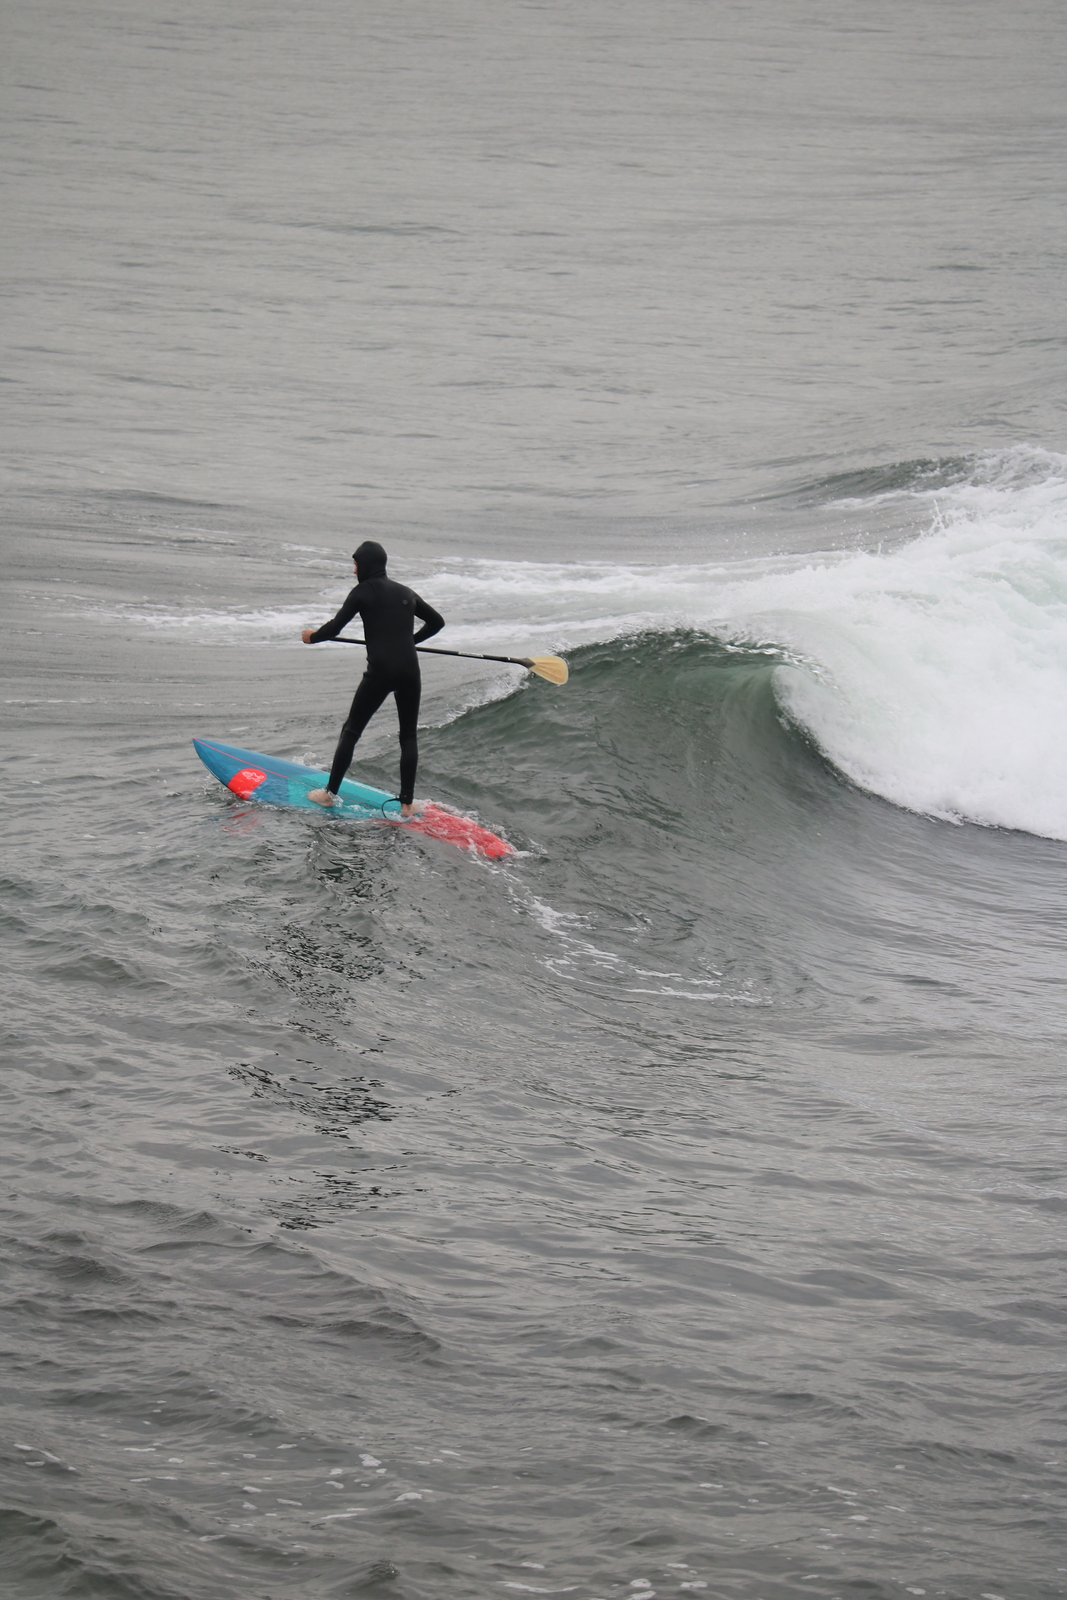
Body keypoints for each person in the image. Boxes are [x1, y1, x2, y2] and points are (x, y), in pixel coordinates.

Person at [301, 541, 444, 816]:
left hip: (381, 671)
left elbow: (334, 628)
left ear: (365, 565)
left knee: (351, 731)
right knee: (408, 737)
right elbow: (437, 622)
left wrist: (312, 638)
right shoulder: (406, 592)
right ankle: (407, 804)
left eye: (356, 564)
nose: (354, 570)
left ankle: (328, 794)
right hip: (410, 670)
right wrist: (410, 643)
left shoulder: (363, 591)